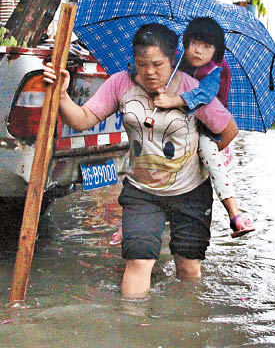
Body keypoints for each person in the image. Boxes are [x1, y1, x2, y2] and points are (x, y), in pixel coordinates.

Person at [44, 23, 237, 299]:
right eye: (141, 63)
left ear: (173, 60)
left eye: (158, 64)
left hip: (191, 193)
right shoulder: (120, 83)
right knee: (137, 261)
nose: (149, 72)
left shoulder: (193, 90)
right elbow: (83, 119)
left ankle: (186, 325)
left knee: (188, 268)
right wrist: (61, 95)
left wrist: (203, 153)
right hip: (142, 193)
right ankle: (134, 325)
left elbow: (229, 130)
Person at [154, 17, 255, 238]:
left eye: (207, 46)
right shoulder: (177, 61)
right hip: (179, 120)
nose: (198, 51)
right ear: (186, 42)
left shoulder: (215, 70)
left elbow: (204, 95)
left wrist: (174, 100)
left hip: (207, 126)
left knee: (208, 152)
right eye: (194, 43)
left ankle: (234, 214)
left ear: (216, 52)